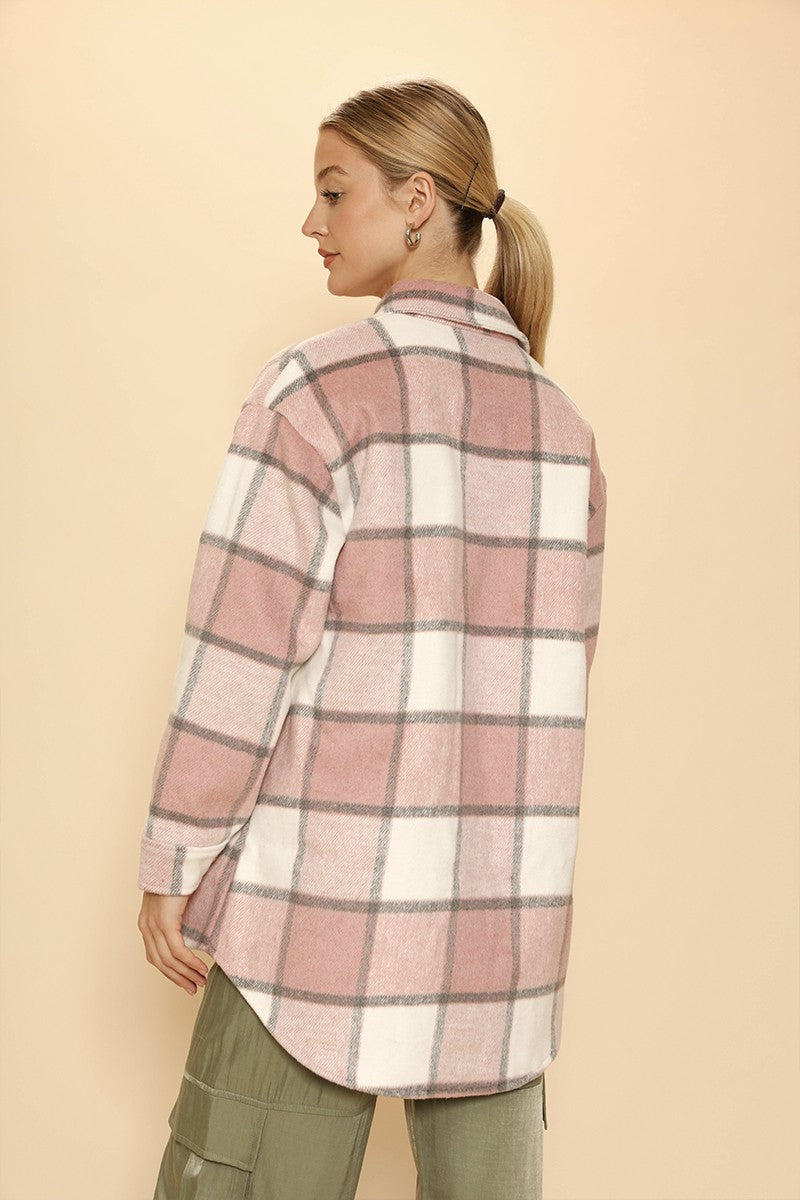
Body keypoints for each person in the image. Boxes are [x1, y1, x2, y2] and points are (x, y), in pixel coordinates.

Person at [136, 76, 607, 1200]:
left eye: (334, 191)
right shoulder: (563, 429)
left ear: (417, 199)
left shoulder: (316, 389)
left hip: (310, 915)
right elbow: (556, 687)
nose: (312, 221)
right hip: (501, 939)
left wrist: (176, 860)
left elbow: (240, 655)